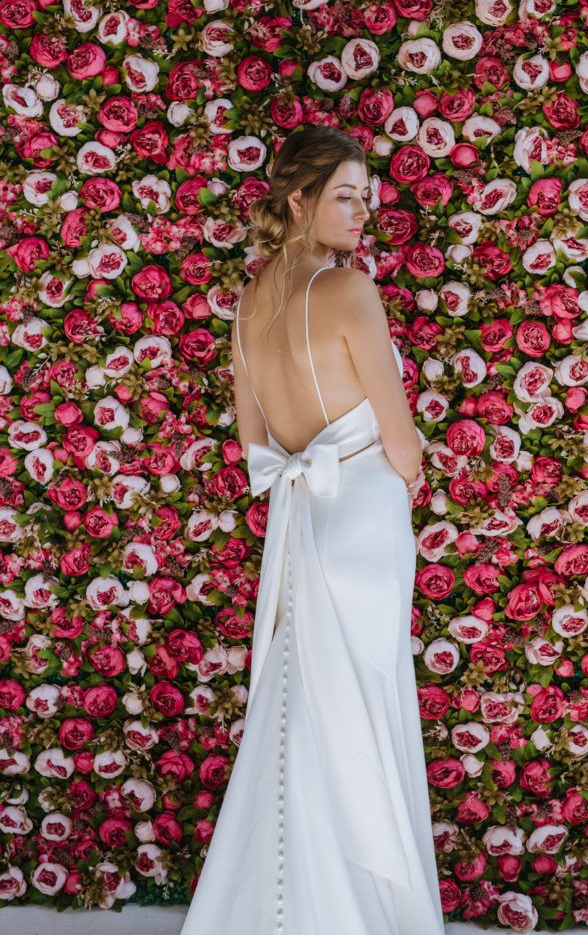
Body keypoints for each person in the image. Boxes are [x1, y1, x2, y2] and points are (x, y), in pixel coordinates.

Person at [179, 125, 445, 935]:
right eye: (344, 195)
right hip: (360, 509)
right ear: (297, 199)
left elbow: (253, 441)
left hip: (297, 517)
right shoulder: (349, 290)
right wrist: (412, 466)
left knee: (298, 709)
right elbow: (398, 436)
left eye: (365, 196)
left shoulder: (250, 301)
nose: (362, 211)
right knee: (361, 705)